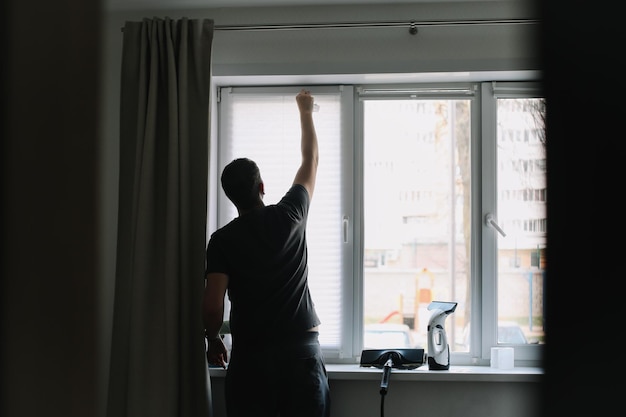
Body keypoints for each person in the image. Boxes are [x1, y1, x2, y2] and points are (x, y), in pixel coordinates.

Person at [202, 89, 330, 417]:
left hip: (251, 361)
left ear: (231, 198)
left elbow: (213, 305)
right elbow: (310, 160)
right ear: (261, 187)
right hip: (300, 354)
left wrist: (213, 338)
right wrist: (305, 111)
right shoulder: (290, 215)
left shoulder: (221, 240)